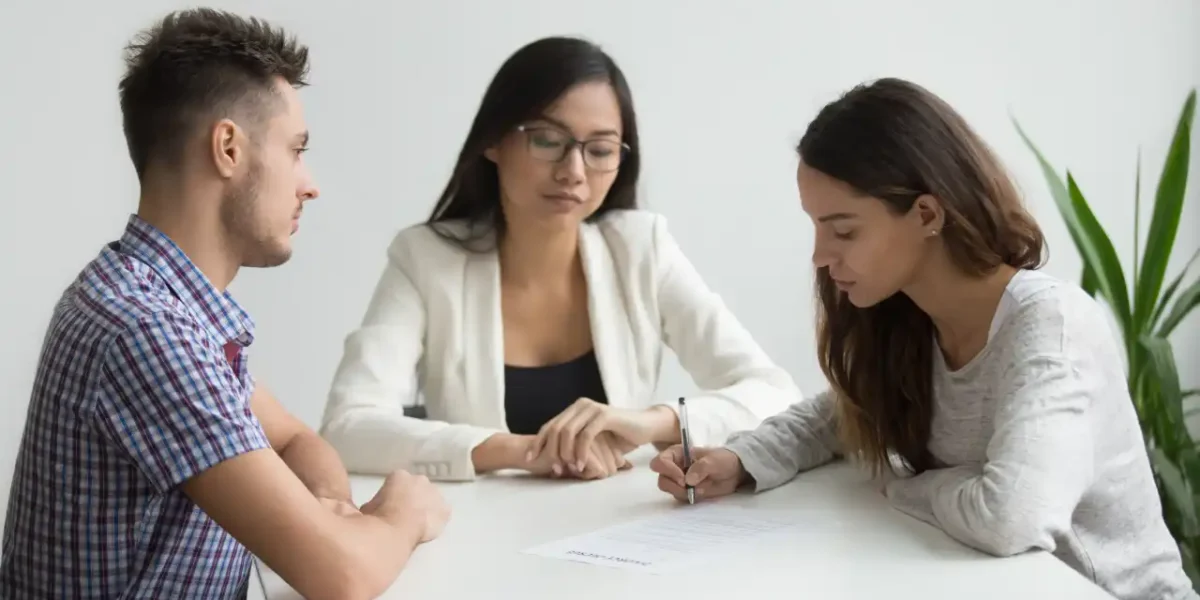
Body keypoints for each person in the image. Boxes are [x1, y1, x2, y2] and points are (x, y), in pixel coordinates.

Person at [649, 77, 1197, 600]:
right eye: (815, 227)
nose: (820, 255)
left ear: (927, 213)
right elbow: (840, 416)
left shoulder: (1049, 327)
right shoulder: (911, 320)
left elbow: (1012, 518)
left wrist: (907, 487)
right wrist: (740, 461)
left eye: (843, 231)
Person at [0, 9, 448, 600]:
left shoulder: (146, 297)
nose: (309, 183)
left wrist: (323, 512)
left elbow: (294, 441)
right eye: (296, 150)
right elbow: (345, 578)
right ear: (229, 148)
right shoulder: (148, 330)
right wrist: (402, 513)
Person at [319, 36, 801, 483]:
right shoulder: (426, 259)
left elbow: (776, 393)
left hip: (611, 534)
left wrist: (650, 422)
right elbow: (348, 426)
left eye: (600, 149)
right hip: (475, 540)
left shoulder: (640, 248)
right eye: (548, 140)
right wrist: (524, 451)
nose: (573, 171)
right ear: (493, 140)